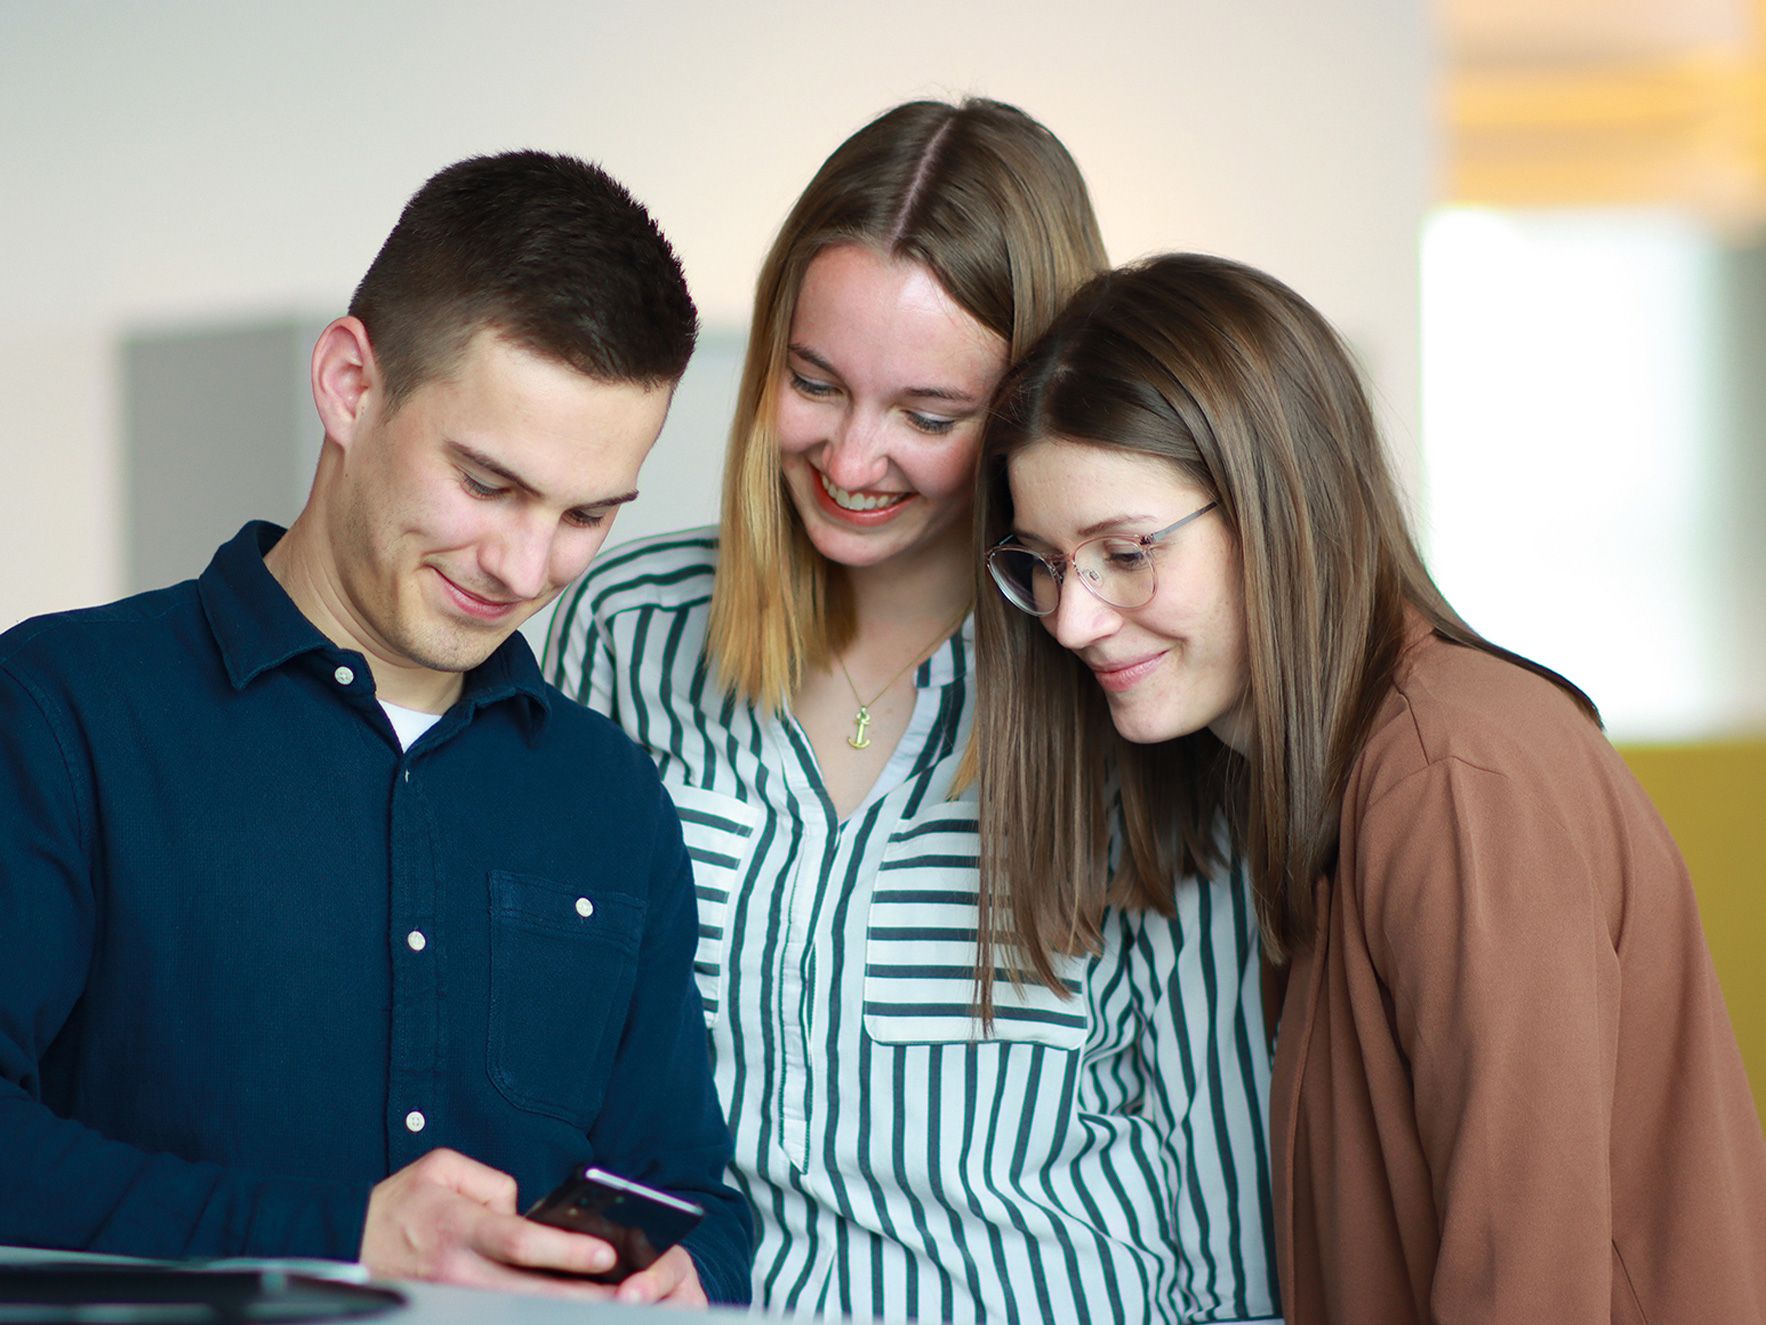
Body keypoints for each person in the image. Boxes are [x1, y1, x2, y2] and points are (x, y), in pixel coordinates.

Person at [545, 100, 1279, 1323]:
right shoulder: (626, 631)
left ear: (1032, 405)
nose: (850, 456)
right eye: (813, 382)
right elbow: (549, 1062)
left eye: (928, 417)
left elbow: (1228, 1210)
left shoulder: (1137, 690)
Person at [0, 150, 752, 1306]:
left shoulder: (610, 799)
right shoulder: (63, 709)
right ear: (351, 384)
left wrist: (697, 1262)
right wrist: (343, 1234)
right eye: (487, 482)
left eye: (585, 513)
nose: (524, 564)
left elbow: (685, 1184)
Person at [974, 251, 1766, 1323]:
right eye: (1043, 562)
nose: (1071, 619)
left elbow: (1521, 1285)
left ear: (1277, 500)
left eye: (1123, 550)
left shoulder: (1448, 778)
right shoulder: (1329, 776)